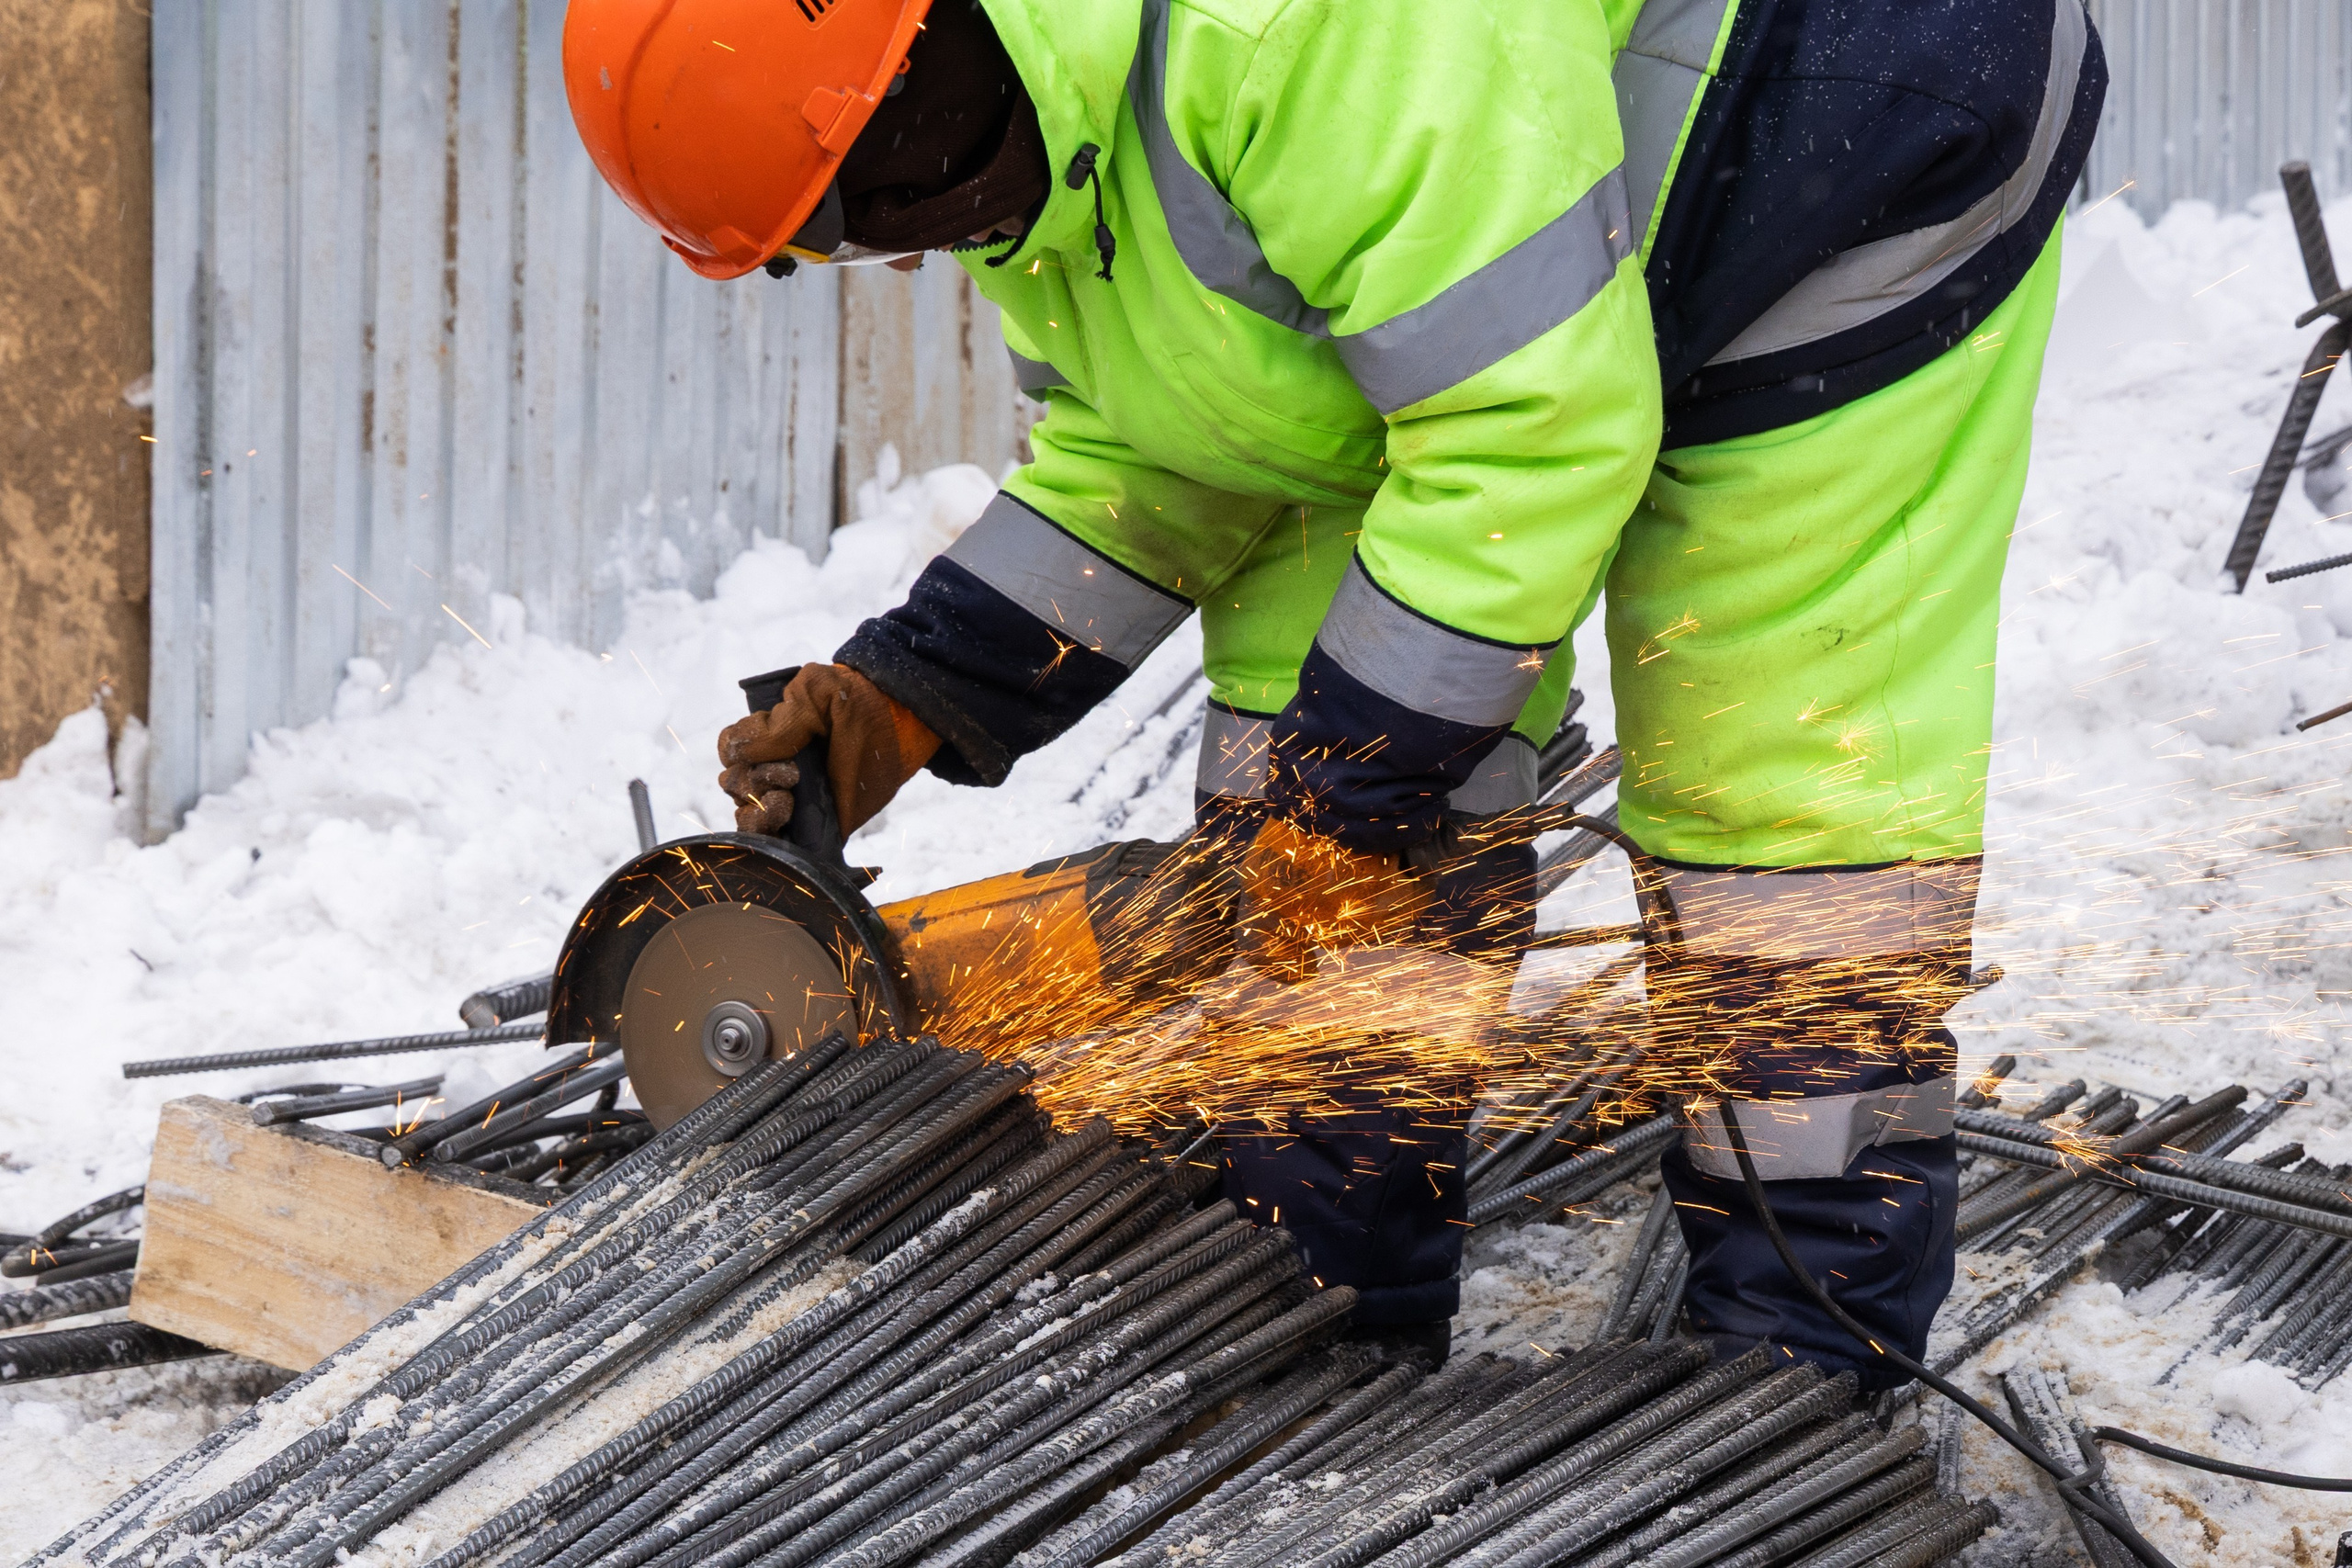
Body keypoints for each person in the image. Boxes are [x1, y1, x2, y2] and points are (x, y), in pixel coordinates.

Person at [565, 0, 2104, 1382]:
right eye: (826, 243)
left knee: (1778, 830)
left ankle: (1798, 1379)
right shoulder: (1033, 142)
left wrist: (1351, 791)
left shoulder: (1292, 33)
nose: (893, 254)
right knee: (1303, 834)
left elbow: (1532, 437)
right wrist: (912, 692)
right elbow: (1161, 449)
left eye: (868, 204)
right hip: (1488, 276)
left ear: (920, 62)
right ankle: (1332, 1309)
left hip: (1840, 127)